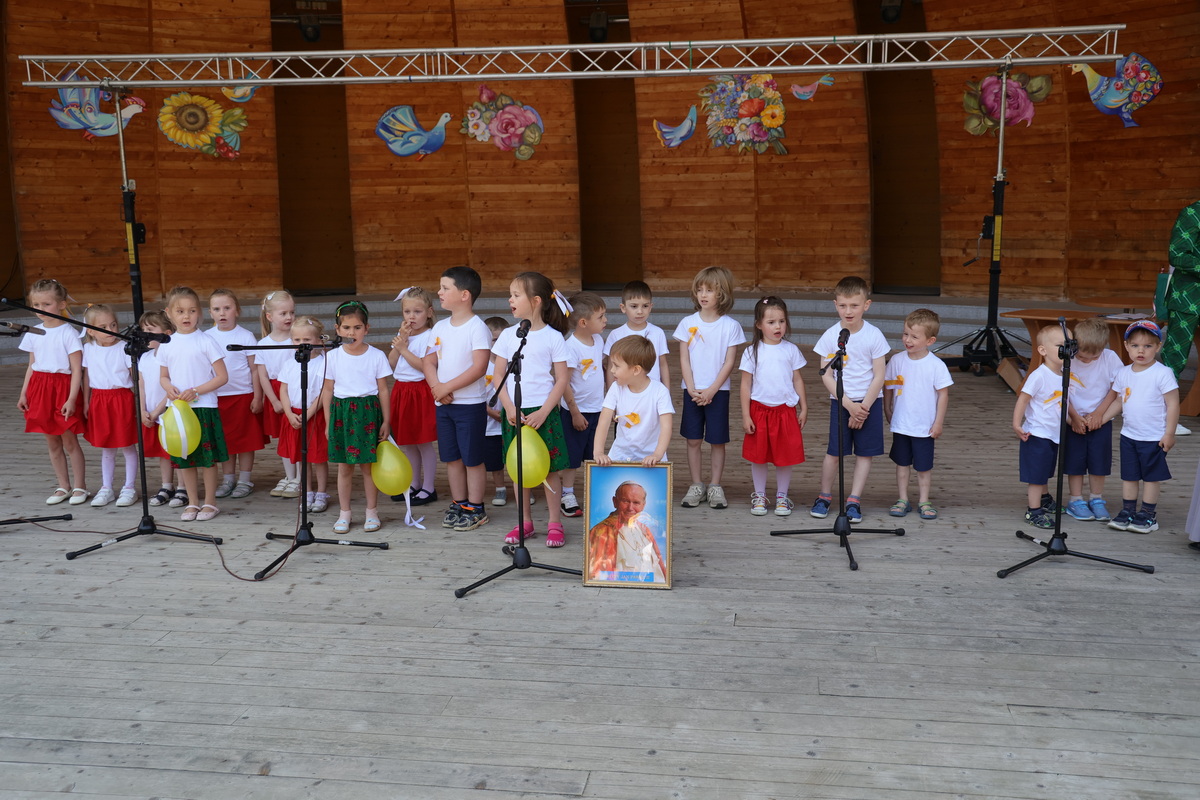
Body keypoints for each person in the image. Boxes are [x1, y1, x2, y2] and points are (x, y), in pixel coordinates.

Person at [493, 272, 571, 547]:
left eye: (516, 295)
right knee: (519, 469)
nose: (510, 299)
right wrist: (509, 407)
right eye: (510, 294)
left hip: (543, 411)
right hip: (515, 411)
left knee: (549, 469)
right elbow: (498, 376)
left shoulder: (553, 337)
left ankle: (554, 523)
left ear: (536, 301)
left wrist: (545, 411)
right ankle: (524, 522)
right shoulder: (507, 335)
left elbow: (562, 378)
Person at [811, 276, 889, 523]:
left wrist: (863, 408)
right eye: (843, 305)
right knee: (834, 452)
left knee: (865, 454)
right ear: (835, 304)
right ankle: (824, 496)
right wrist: (848, 405)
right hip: (841, 402)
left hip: (869, 403)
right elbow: (826, 375)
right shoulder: (831, 335)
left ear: (866, 304)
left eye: (854, 305)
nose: (848, 311)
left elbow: (879, 375)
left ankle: (854, 500)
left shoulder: (874, 335)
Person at [424, 265, 492, 532]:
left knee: (472, 458)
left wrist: (446, 387)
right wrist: (437, 387)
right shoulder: (440, 326)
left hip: (470, 406)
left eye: (445, 288)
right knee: (451, 457)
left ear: (464, 295)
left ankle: (476, 507)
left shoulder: (477, 328)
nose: (439, 292)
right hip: (444, 405)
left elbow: (479, 367)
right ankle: (459, 502)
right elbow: (428, 361)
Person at [156, 286, 230, 522]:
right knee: (184, 457)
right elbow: (163, 376)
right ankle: (192, 502)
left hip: (203, 407)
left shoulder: (206, 341)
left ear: (200, 313)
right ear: (169, 313)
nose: (186, 316)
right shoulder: (166, 344)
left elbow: (221, 377)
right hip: (178, 411)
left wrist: (196, 391)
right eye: (180, 311)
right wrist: (168, 388)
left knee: (207, 460)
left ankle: (210, 502)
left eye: (191, 311)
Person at [674, 266, 745, 510]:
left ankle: (715, 485)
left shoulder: (730, 326)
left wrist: (713, 389)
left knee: (717, 440)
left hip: (719, 392)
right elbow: (683, 358)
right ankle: (696, 484)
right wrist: (692, 387)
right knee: (693, 440)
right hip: (692, 391)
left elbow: (729, 362)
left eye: (710, 290)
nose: (703, 295)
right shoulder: (687, 323)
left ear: (722, 294)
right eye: (700, 290)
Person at [1098, 320, 1179, 533]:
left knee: (1151, 477)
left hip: (1154, 437)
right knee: (1130, 475)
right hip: (1129, 435)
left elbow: (1172, 404)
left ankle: (1148, 515)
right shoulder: (1123, 373)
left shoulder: (1163, 373)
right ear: (1126, 346)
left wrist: (1169, 433)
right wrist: (1102, 419)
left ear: (1158, 347)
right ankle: (1128, 511)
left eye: (1147, 346)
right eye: (1135, 346)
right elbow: (1118, 401)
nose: (1140, 351)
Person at [320, 300, 391, 534]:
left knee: (368, 467)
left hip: (368, 412)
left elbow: (383, 390)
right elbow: (328, 390)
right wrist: (329, 422)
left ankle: (372, 512)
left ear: (367, 328)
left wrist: (386, 420)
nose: (352, 333)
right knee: (344, 467)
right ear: (337, 330)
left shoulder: (377, 356)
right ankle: (345, 513)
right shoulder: (332, 356)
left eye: (358, 327)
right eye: (347, 328)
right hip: (342, 413)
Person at [17, 278, 88, 505]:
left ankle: (80, 486)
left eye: (46, 304)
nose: (40, 310)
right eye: (36, 305)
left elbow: (77, 369)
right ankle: (63, 485)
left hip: (62, 389)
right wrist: (24, 392)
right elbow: (31, 365)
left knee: (69, 441)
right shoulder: (33, 332)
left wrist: (71, 398)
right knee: (52, 442)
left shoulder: (68, 333)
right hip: (40, 387)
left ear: (61, 304)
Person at [739, 296, 807, 517]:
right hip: (759, 411)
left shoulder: (791, 350)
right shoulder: (752, 351)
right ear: (759, 324)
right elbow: (745, 385)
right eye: (771, 322)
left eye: (781, 321)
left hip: (785, 411)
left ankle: (781, 496)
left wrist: (803, 406)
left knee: (784, 455)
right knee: (759, 456)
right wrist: (745, 415)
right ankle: (759, 495)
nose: (778, 326)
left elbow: (797, 379)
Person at [883, 308, 953, 520]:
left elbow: (943, 395)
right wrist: (887, 408)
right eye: (905, 334)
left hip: (924, 426)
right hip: (902, 424)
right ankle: (902, 498)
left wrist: (938, 422)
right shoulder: (896, 360)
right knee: (902, 464)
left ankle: (924, 500)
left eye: (914, 336)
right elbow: (889, 386)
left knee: (923, 467)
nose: (908, 340)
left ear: (930, 340)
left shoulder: (936, 366)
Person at [1061, 317, 1122, 522]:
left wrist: (1099, 415)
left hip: (1100, 419)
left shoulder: (1110, 357)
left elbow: (1116, 388)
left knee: (1099, 462)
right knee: (1074, 462)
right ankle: (1075, 500)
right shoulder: (1067, 359)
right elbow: (1061, 392)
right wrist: (1075, 418)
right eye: (1084, 356)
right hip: (1073, 419)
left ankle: (1096, 499)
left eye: (1093, 357)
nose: (1087, 360)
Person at [207, 289, 266, 500]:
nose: (222, 313)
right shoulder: (207, 337)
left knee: (245, 442)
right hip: (217, 398)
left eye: (227, 308)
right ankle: (228, 479)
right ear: (210, 313)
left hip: (243, 396)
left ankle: (245, 479)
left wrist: (257, 397)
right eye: (217, 309)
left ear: (237, 311)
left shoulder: (245, 336)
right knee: (226, 441)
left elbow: (254, 369)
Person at [81, 304, 139, 508]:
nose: (111, 330)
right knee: (107, 447)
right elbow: (87, 376)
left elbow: (135, 376)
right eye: (104, 326)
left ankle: (129, 487)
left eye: (113, 324)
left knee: (127, 445)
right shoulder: (89, 348)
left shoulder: (124, 347)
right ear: (91, 331)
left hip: (121, 399)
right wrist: (86, 401)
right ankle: (106, 488)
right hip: (99, 399)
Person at [1012, 325, 1069, 530]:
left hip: (1053, 433)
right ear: (1043, 350)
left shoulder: (1064, 374)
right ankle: (1033, 510)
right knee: (1036, 475)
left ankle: (1044, 498)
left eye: (1069, 345)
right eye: (1061, 346)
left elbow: (1062, 403)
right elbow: (1023, 399)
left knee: (1045, 470)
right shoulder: (1040, 375)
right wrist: (1017, 424)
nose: (1066, 350)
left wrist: (1074, 420)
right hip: (1037, 433)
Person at [387, 286, 439, 506]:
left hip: (420, 391)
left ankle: (429, 487)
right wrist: (400, 343)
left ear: (428, 312)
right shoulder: (403, 336)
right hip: (401, 390)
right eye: (407, 312)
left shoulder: (431, 336)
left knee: (423, 441)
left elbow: (424, 367)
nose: (411, 317)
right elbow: (391, 363)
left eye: (417, 312)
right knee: (407, 442)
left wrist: (405, 349)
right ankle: (413, 483)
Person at [559, 291, 607, 518]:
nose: (605, 320)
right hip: (575, 412)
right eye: (601, 317)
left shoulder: (598, 340)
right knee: (572, 457)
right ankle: (567, 493)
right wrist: (576, 413)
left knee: (594, 453)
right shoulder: (570, 347)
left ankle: (595, 493)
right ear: (583, 322)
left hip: (598, 409)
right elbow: (564, 383)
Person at [593, 336, 674, 467]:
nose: (612, 370)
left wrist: (657, 455)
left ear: (636, 370)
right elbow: (603, 421)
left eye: (616, 366)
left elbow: (666, 427)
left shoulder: (660, 391)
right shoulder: (616, 388)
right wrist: (598, 452)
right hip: (619, 456)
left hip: (653, 460)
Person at [278, 316, 330, 513]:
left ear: (317, 340)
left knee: (318, 457)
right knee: (303, 457)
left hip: (314, 415)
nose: (301, 344)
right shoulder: (289, 363)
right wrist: (289, 413)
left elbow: (324, 391)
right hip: (294, 416)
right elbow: (283, 389)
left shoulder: (324, 363)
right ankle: (307, 491)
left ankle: (322, 492)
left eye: (306, 340)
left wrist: (308, 414)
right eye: (297, 340)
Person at [256, 289, 298, 498]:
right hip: (275, 393)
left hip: (295, 391)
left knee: (297, 434)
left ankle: (300, 478)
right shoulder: (263, 344)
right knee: (283, 438)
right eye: (283, 313)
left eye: (291, 312)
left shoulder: (297, 340)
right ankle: (290, 476)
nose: (289, 317)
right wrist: (273, 400)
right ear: (270, 316)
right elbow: (263, 376)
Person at [586, 481, 667, 584]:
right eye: (625, 501)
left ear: (643, 505)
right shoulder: (601, 532)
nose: (630, 508)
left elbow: (659, 563)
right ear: (615, 502)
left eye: (636, 503)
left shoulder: (644, 529)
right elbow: (599, 575)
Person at [136, 311, 178, 507]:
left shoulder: (171, 357)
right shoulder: (144, 358)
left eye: (151, 330)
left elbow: (171, 387)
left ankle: (183, 487)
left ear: (166, 333)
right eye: (144, 330)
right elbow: (142, 385)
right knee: (163, 452)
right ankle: (167, 485)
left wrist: (157, 411)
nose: (145, 334)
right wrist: (143, 409)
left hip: (167, 411)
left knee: (176, 450)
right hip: (151, 412)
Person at [603, 280, 671, 387]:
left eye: (645, 306)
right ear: (623, 308)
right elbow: (611, 366)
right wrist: (610, 394)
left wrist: (666, 391)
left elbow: (662, 364)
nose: (640, 311)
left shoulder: (658, 333)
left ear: (650, 307)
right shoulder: (615, 334)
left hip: (652, 393)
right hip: (624, 392)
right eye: (634, 306)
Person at [481, 316, 515, 507]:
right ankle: (500, 489)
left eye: (502, 340)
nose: (498, 344)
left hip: (510, 419)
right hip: (490, 423)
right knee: (495, 461)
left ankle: (521, 486)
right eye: (494, 340)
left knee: (514, 456)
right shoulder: (483, 365)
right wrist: (488, 411)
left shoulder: (512, 365)